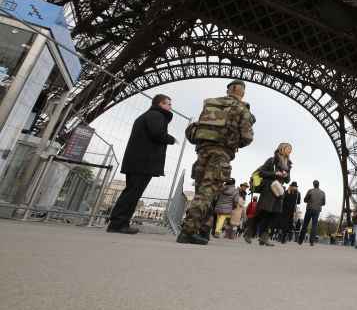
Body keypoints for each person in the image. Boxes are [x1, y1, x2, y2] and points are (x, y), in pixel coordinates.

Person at [177, 80, 254, 245]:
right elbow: (247, 137)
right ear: (242, 92)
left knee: (201, 191)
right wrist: (236, 143)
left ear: (228, 90)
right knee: (209, 191)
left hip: (202, 150)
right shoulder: (242, 109)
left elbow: (197, 128)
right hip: (222, 154)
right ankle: (188, 231)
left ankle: (202, 230)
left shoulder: (210, 103)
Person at [108, 94, 176, 234]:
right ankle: (118, 224)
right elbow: (157, 133)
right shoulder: (156, 115)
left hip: (137, 161)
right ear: (160, 104)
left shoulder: (149, 115)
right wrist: (171, 139)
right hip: (143, 162)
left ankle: (119, 222)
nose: (170, 107)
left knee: (131, 192)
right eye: (168, 104)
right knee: (132, 193)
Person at [245, 143, 292, 246]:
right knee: (263, 212)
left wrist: (286, 175)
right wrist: (274, 174)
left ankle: (264, 237)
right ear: (281, 149)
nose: (290, 151)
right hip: (269, 189)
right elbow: (261, 172)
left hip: (279, 190)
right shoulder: (271, 160)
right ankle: (249, 232)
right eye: (288, 148)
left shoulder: (288, 164)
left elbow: (288, 180)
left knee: (274, 214)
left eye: (291, 149)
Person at [298, 180, 325, 246]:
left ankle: (300, 240)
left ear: (313, 185)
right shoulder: (322, 193)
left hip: (310, 209)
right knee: (314, 226)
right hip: (317, 210)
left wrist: (309, 201)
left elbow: (305, 200)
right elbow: (323, 203)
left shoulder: (310, 191)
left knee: (305, 224)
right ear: (318, 185)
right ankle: (311, 242)